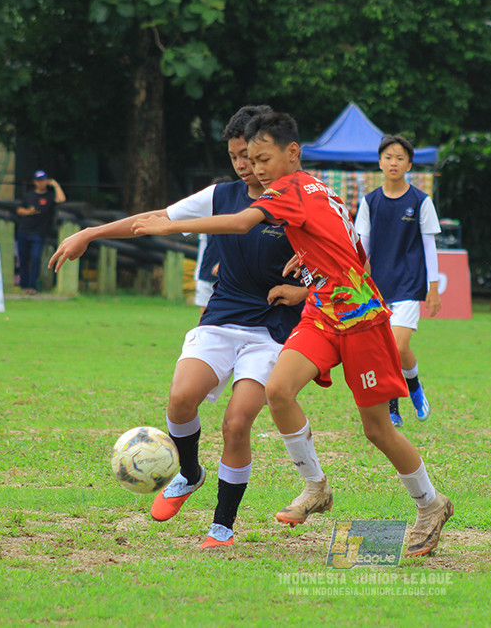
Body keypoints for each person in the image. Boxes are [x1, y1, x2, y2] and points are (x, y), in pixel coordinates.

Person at [130, 111, 454, 557]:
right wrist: (307, 260)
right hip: (322, 310)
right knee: (279, 389)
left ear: (292, 152)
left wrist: (170, 225)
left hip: (361, 317)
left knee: (377, 430)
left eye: (263, 158)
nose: (257, 168)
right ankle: (316, 487)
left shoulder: (289, 188)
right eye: (250, 160)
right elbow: (348, 245)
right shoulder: (322, 190)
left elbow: (243, 222)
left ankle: (431, 504)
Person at [50, 105, 308, 549]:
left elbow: (347, 262)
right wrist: (90, 233)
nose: (245, 166)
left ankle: (222, 527)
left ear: (277, 152)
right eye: (235, 157)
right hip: (222, 317)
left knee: (237, 422)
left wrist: (305, 293)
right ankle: (190, 473)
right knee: (181, 398)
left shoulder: (303, 199)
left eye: (251, 155)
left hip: (272, 329)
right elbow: (154, 219)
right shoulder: (221, 196)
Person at [355, 135, 441, 429]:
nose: (394, 162)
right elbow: (361, 247)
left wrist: (433, 287)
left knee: (398, 345)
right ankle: (394, 406)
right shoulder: (369, 202)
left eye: (400, 158)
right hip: (375, 288)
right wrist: (356, 281)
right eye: (389, 157)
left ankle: (413, 387)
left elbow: (429, 247)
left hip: (408, 285)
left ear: (409, 164)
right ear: (380, 163)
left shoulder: (420, 201)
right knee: (383, 350)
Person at [16, 171, 66, 294]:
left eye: (43, 180)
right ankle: (23, 286)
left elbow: (61, 199)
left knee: (35, 258)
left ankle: (32, 286)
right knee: (22, 259)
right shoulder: (28, 195)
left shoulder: (49, 196)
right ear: (34, 182)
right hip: (24, 230)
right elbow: (19, 210)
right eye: (38, 180)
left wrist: (55, 185)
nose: (41, 183)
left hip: (39, 233)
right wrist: (29, 212)